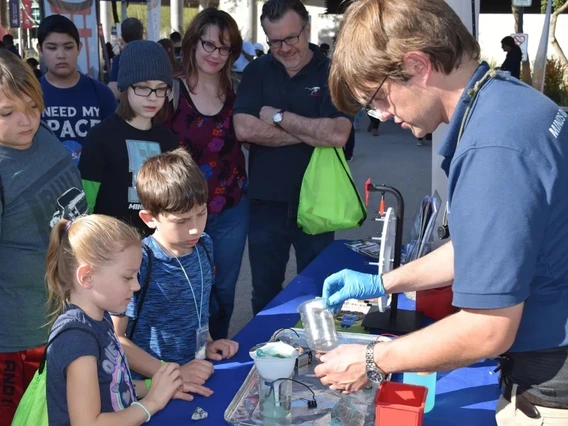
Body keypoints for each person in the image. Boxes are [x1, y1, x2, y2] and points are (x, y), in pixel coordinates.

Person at [315, 1, 568, 424]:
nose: (384, 115)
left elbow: (488, 328)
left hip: (550, 376)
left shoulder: (493, 147)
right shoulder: (506, 101)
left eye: (377, 99)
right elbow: (485, 247)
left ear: (417, 65)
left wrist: (375, 359)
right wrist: (382, 282)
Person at [233, 0, 352, 315]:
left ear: (307, 29)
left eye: (291, 38)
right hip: (265, 204)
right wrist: (312, 134)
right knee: (265, 294)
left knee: (320, 291)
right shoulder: (257, 71)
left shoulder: (331, 73)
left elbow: (339, 134)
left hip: (318, 202)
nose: (284, 48)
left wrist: (276, 117)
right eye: (275, 41)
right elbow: (243, 128)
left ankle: (320, 359)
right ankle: (266, 356)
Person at [0, 49, 87, 426]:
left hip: (67, 322)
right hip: (19, 343)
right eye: (7, 113)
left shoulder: (45, 137)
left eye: (33, 106)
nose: (26, 121)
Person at [45, 215, 193, 424]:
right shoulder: (77, 340)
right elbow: (88, 423)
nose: (136, 286)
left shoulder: (100, 316)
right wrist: (152, 402)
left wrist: (157, 386)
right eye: (127, 277)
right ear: (87, 277)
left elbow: (112, 386)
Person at [111, 149, 239, 392]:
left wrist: (209, 343)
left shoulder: (204, 244)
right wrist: (171, 373)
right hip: (152, 384)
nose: (194, 229)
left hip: (196, 372)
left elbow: (198, 305)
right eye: (181, 221)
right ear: (149, 218)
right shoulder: (139, 262)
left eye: (201, 214)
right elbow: (116, 338)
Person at [167, 8, 248, 340]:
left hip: (231, 207)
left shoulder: (238, 90)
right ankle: (183, 357)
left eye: (224, 48)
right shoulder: (170, 89)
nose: (215, 54)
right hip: (182, 211)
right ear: (193, 42)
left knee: (223, 291)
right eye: (209, 45)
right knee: (182, 288)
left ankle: (215, 358)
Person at [79, 40, 180, 236]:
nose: (153, 97)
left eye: (161, 89)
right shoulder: (100, 137)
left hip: (158, 249)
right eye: (143, 87)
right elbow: (85, 201)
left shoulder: (169, 141)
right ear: (125, 87)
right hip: (110, 246)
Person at [38, 15, 117, 165]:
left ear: (79, 48)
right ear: (40, 50)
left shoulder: (101, 93)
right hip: (44, 184)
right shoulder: (28, 95)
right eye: (52, 48)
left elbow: (114, 143)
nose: (61, 55)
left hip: (92, 184)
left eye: (68, 47)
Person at [109, 18, 145, 100]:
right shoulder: (154, 57)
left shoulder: (120, 59)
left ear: (122, 36)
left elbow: (114, 93)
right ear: (142, 35)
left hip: (128, 109)